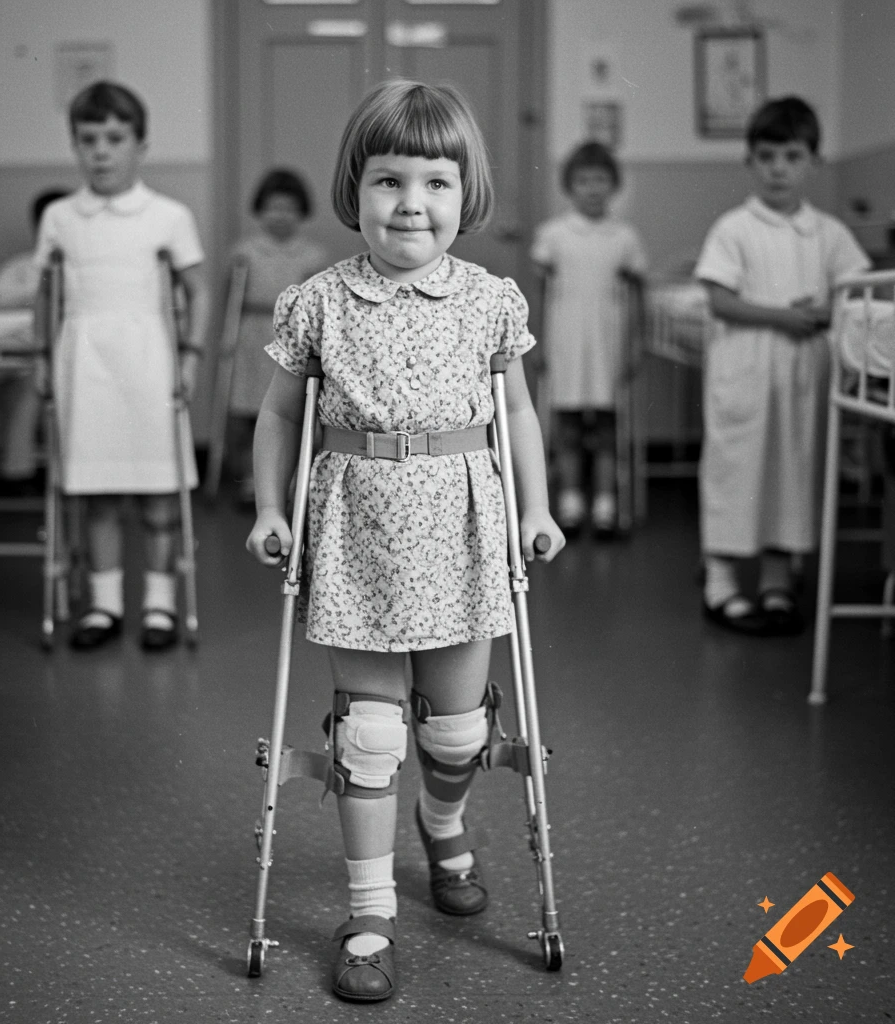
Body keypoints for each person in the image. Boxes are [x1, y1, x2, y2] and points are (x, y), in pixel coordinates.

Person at [246, 80, 564, 1003]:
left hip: (462, 533)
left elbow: (518, 414)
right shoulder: (318, 302)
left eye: (436, 182)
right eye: (389, 180)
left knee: (457, 733)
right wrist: (270, 509)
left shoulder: (490, 300)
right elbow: (279, 415)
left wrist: (536, 509)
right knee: (372, 735)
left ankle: (444, 820)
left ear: (467, 195)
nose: (412, 203)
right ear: (356, 188)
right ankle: (370, 912)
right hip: (355, 534)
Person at [34, 81, 210, 652]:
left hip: (148, 360)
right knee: (99, 491)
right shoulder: (61, 217)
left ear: (141, 145)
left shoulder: (167, 215)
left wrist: (191, 355)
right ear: (74, 146)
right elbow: (45, 294)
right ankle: (104, 606)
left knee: (159, 492)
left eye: (115, 139)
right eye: (89, 140)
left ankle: (159, 606)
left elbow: (198, 291)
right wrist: (41, 357)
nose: (101, 152)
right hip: (84, 362)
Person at [695, 96, 869, 636]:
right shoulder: (734, 228)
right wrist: (782, 317)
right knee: (735, 471)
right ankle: (720, 581)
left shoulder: (829, 233)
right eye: (767, 157)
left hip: (800, 376)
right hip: (746, 370)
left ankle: (776, 581)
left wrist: (824, 312)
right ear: (750, 160)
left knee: (791, 472)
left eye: (792, 157)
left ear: (813, 161)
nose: (778, 169)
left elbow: (855, 294)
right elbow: (719, 300)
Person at [531, 141, 647, 536]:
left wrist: (634, 345)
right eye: (583, 180)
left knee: (607, 424)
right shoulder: (554, 234)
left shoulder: (624, 237)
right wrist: (538, 342)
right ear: (569, 186)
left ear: (613, 185)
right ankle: (570, 501)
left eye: (600, 180)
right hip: (566, 340)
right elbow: (541, 294)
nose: (592, 189)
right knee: (566, 424)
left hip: (607, 342)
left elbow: (637, 295)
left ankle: (605, 503)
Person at [226, 169, 328, 504]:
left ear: (302, 212)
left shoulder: (312, 256)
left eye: (289, 208)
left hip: (293, 339)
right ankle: (250, 480)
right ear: (260, 210)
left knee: (288, 411)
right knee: (248, 414)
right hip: (252, 337)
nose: (281, 215)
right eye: (273, 207)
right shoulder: (245, 251)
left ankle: (288, 479)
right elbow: (229, 302)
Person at [0, 189, 69, 491]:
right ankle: (19, 474)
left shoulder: (79, 267)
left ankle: (65, 473)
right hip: (23, 357)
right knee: (31, 387)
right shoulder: (19, 268)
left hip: (70, 356)